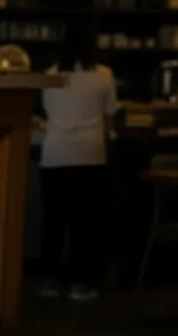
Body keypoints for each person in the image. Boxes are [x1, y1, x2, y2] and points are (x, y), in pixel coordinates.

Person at [37, 29, 118, 301]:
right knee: (84, 223)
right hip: (90, 153)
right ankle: (79, 284)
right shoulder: (103, 76)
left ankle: (48, 281)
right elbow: (109, 118)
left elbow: (47, 114)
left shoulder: (50, 76)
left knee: (53, 220)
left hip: (55, 153)